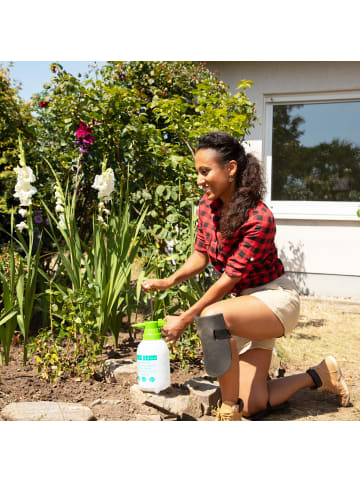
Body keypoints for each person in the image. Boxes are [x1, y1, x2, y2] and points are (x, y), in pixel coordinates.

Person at [142, 131, 350, 421]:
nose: (199, 180)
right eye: (197, 172)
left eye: (205, 171)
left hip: (273, 300)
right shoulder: (207, 206)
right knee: (254, 403)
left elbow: (230, 278)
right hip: (241, 306)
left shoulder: (258, 217)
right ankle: (320, 375)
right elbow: (200, 255)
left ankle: (229, 412)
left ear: (230, 169)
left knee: (213, 317)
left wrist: (186, 318)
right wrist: (169, 281)